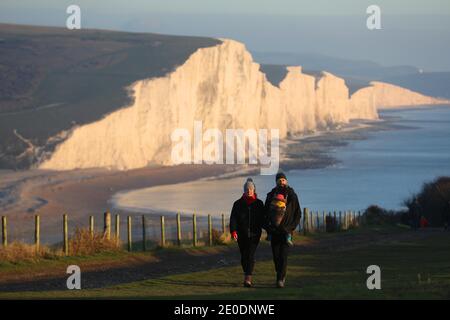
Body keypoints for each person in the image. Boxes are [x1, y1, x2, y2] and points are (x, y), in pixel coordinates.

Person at [264, 172, 301, 288]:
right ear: (276, 182)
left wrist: (291, 227)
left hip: (286, 231)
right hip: (274, 232)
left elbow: (298, 213)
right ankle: (279, 274)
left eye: (283, 180)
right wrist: (268, 228)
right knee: (276, 257)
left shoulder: (292, 195)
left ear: (287, 181)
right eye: (279, 180)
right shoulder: (270, 195)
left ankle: (280, 279)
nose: (281, 182)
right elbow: (264, 213)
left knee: (283, 256)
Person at [229, 178, 265, 287]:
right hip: (241, 234)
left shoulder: (259, 204)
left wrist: (269, 230)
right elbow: (233, 219)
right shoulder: (237, 204)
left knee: (250, 254)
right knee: (244, 256)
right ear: (244, 190)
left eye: (251, 189)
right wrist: (233, 231)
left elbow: (263, 219)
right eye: (247, 189)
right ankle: (246, 271)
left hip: (254, 234)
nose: (249, 191)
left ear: (254, 190)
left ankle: (248, 278)